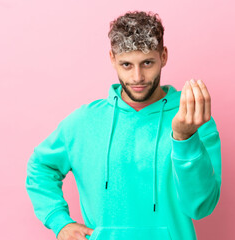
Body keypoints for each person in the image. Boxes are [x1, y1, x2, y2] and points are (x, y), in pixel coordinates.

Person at [25, 10, 222, 240]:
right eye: (126, 64)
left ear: (164, 56)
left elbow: (201, 207)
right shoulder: (84, 122)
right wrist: (60, 222)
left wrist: (184, 138)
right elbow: (40, 167)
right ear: (112, 59)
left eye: (147, 62)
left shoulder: (191, 117)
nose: (137, 77)